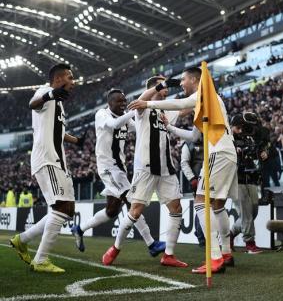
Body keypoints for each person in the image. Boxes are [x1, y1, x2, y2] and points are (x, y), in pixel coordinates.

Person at [131, 67, 238, 274]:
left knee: (200, 202)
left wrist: (148, 103)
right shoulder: (210, 100)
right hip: (227, 152)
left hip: (217, 151)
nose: (180, 84)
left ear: (194, 79)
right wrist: (169, 128)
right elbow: (193, 137)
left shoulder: (204, 93)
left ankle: (215, 257)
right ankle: (225, 253)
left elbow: (180, 104)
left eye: (183, 79)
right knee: (217, 205)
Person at [102, 76, 187, 268]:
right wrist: (160, 86)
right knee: (135, 211)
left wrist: (203, 99)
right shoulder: (143, 107)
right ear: (154, 87)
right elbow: (141, 99)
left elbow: (184, 109)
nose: (167, 88)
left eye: (166, 85)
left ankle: (169, 255)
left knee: (176, 209)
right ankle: (115, 248)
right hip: (146, 168)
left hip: (167, 169)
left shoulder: (166, 109)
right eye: (162, 86)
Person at [70, 89, 165, 259]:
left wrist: (155, 122)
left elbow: (140, 128)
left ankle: (79, 229)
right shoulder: (102, 114)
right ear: (110, 103)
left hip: (120, 168)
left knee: (112, 210)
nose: (123, 104)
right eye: (119, 102)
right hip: (108, 167)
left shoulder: (125, 119)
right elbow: (114, 125)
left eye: (124, 101)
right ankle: (151, 243)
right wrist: (132, 111)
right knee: (132, 202)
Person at [10, 63, 84, 273]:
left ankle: (22, 240)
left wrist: (76, 140)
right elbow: (33, 103)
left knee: (66, 209)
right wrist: (50, 94)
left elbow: (58, 132)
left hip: (58, 161)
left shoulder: (58, 104)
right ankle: (41, 259)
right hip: (47, 159)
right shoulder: (45, 92)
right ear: (58, 79)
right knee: (61, 207)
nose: (73, 82)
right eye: (70, 77)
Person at [229, 114, 263, 254]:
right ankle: (250, 243)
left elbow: (256, 152)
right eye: (239, 127)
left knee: (253, 211)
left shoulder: (249, 138)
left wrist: (262, 153)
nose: (241, 130)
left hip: (251, 176)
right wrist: (234, 151)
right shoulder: (227, 139)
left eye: (243, 127)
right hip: (236, 178)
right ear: (233, 127)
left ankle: (229, 234)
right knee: (246, 213)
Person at [180, 135, 205, 247]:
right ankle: (202, 238)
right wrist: (192, 178)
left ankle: (201, 234)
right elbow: (184, 163)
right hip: (198, 179)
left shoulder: (210, 137)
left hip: (210, 177)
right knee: (202, 207)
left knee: (207, 207)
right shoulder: (189, 142)